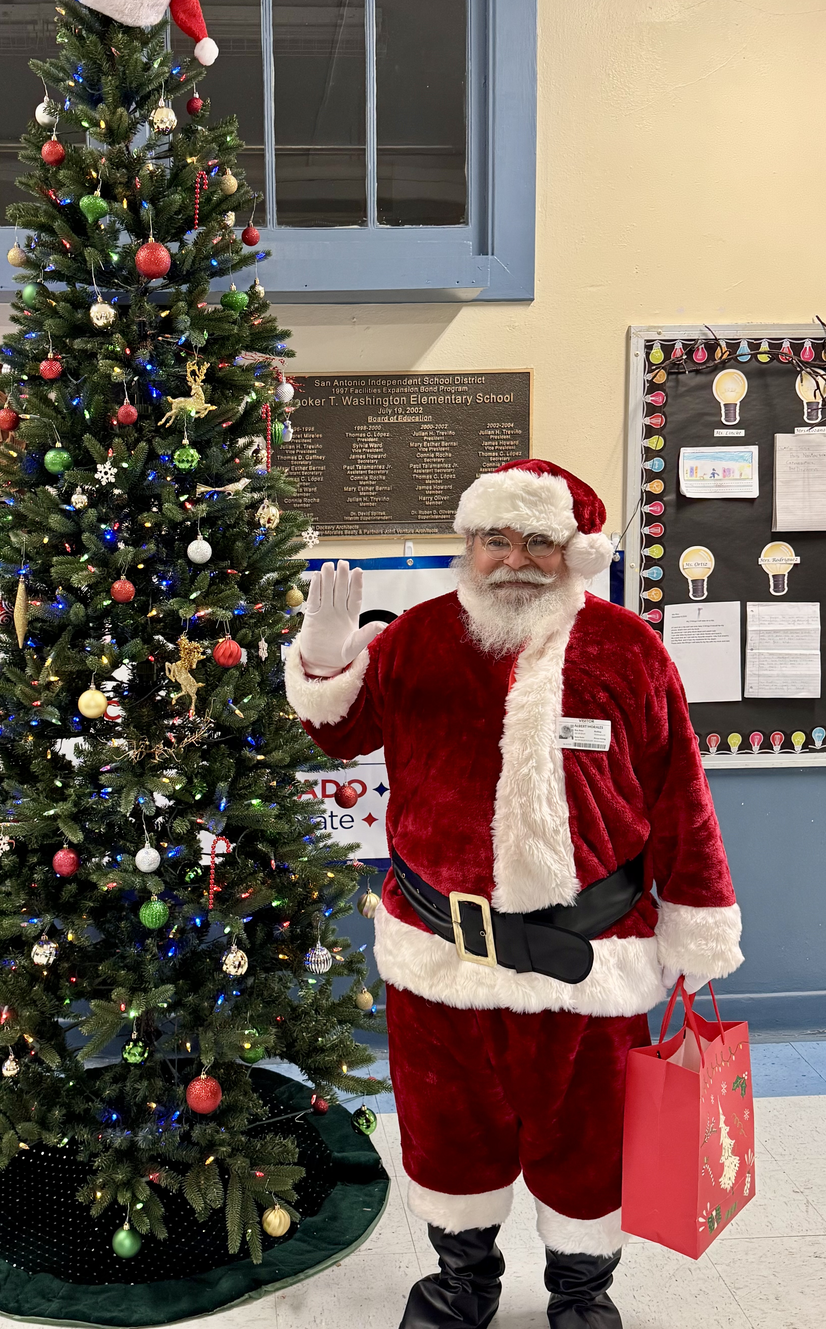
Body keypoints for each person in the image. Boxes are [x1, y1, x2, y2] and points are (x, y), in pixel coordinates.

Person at [286, 459, 743, 1329]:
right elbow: (341, 737)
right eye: (496, 538)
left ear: (574, 550)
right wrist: (326, 655)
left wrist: (696, 924)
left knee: (589, 1141)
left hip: (593, 959)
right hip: (440, 956)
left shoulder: (628, 648)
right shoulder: (416, 638)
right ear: (469, 545)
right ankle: (463, 1282)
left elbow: (680, 791)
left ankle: (581, 1291)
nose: (515, 559)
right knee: (451, 1134)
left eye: (538, 539)